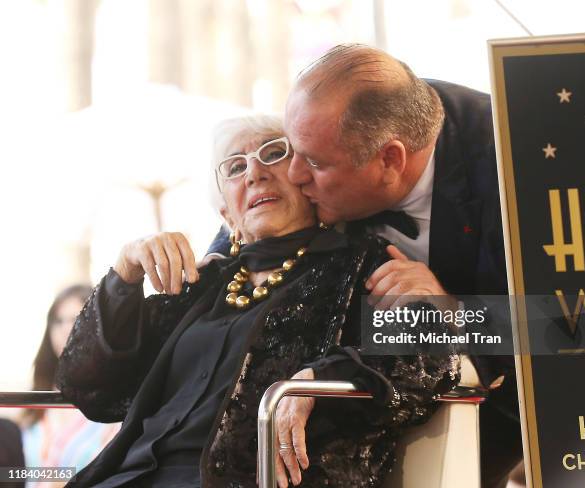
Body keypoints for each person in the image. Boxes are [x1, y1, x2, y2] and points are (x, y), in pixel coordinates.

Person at [56, 114, 459, 488]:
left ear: (306, 178)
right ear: (226, 215)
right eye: (235, 167)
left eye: (273, 152)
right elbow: (91, 388)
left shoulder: (360, 263)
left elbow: (429, 354)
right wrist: (125, 273)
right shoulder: (199, 282)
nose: (255, 173)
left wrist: (320, 378)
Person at [207, 44, 521, 488]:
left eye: (313, 163)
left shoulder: (511, 161)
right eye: (290, 150)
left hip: (507, 401)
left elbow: (578, 325)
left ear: (390, 159)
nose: (294, 175)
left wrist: (456, 309)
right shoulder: (345, 117)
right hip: (353, 404)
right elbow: (253, 230)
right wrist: (208, 263)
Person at [20, 286, 121, 488]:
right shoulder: (35, 398)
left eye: (76, 318)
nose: (66, 329)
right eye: (58, 321)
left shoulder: (118, 400)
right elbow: (14, 474)